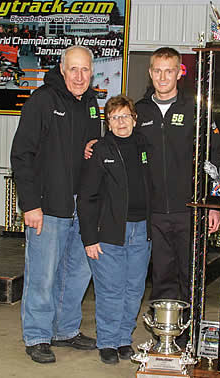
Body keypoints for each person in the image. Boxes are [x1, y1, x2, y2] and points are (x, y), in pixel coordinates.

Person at [84, 48, 220, 334]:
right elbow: (117, 141)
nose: (162, 76)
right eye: (157, 70)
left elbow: (216, 158)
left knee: (191, 277)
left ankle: (190, 336)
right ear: (150, 73)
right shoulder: (140, 111)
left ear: (179, 72)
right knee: (161, 278)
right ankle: (165, 336)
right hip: (153, 216)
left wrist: (213, 204)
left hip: (190, 211)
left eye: (168, 70)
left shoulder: (195, 110)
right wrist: (92, 146)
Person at [10, 45, 99, 364]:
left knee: (77, 273)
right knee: (43, 275)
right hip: (48, 206)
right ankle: (37, 335)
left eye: (85, 70)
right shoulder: (42, 101)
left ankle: (65, 330)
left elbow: (92, 150)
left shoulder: (91, 103)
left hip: (83, 206)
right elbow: (21, 154)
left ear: (92, 72)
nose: (79, 76)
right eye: (73, 69)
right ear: (62, 70)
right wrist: (30, 204)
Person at [77, 95, 152, 365]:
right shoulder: (100, 151)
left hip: (142, 232)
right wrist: (89, 237)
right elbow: (86, 197)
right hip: (109, 234)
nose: (121, 122)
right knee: (111, 290)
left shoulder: (145, 145)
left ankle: (123, 339)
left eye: (125, 116)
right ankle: (107, 341)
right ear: (107, 123)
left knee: (134, 290)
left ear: (134, 118)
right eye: (114, 118)